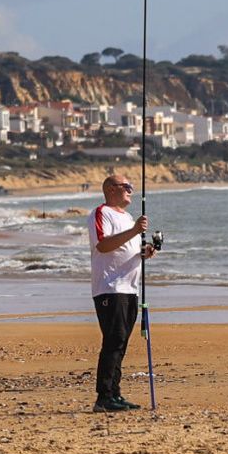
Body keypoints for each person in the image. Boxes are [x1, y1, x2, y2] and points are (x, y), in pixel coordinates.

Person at [88, 173, 155, 413]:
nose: (131, 190)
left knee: (121, 342)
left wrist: (144, 252)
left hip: (130, 288)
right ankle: (103, 397)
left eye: (132, 186)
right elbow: (104, 245)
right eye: (126, 186)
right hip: (109, 287)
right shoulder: (101, 212)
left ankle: (114, 394)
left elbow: (127, 248)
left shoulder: (126, 217)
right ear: (111, 189)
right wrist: (136, 230)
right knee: (113, 340)